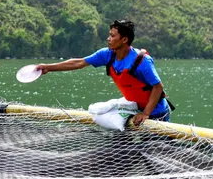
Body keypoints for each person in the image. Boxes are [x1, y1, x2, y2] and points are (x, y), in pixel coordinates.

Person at [35, 19, 173, 126]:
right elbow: (79, 62)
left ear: (124, 40)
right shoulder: (107, 55)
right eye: (109, 35)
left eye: (112, 36)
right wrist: (48, 67)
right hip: (133, 109)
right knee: (122, 148)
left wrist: (146, 113)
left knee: (156, 151)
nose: (108, 39)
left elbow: (158, 87)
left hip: (156, 112)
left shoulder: (142, 61)